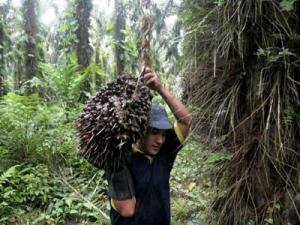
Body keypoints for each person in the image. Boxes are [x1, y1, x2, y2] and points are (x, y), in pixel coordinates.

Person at [106, 67, 192, 225]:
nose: (160, 140)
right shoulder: (120, 156)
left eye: (164, 134)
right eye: (154, 132)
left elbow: (186, 120)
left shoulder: (165, 153)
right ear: (140, 129)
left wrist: (160, 88)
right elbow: (127, 209)